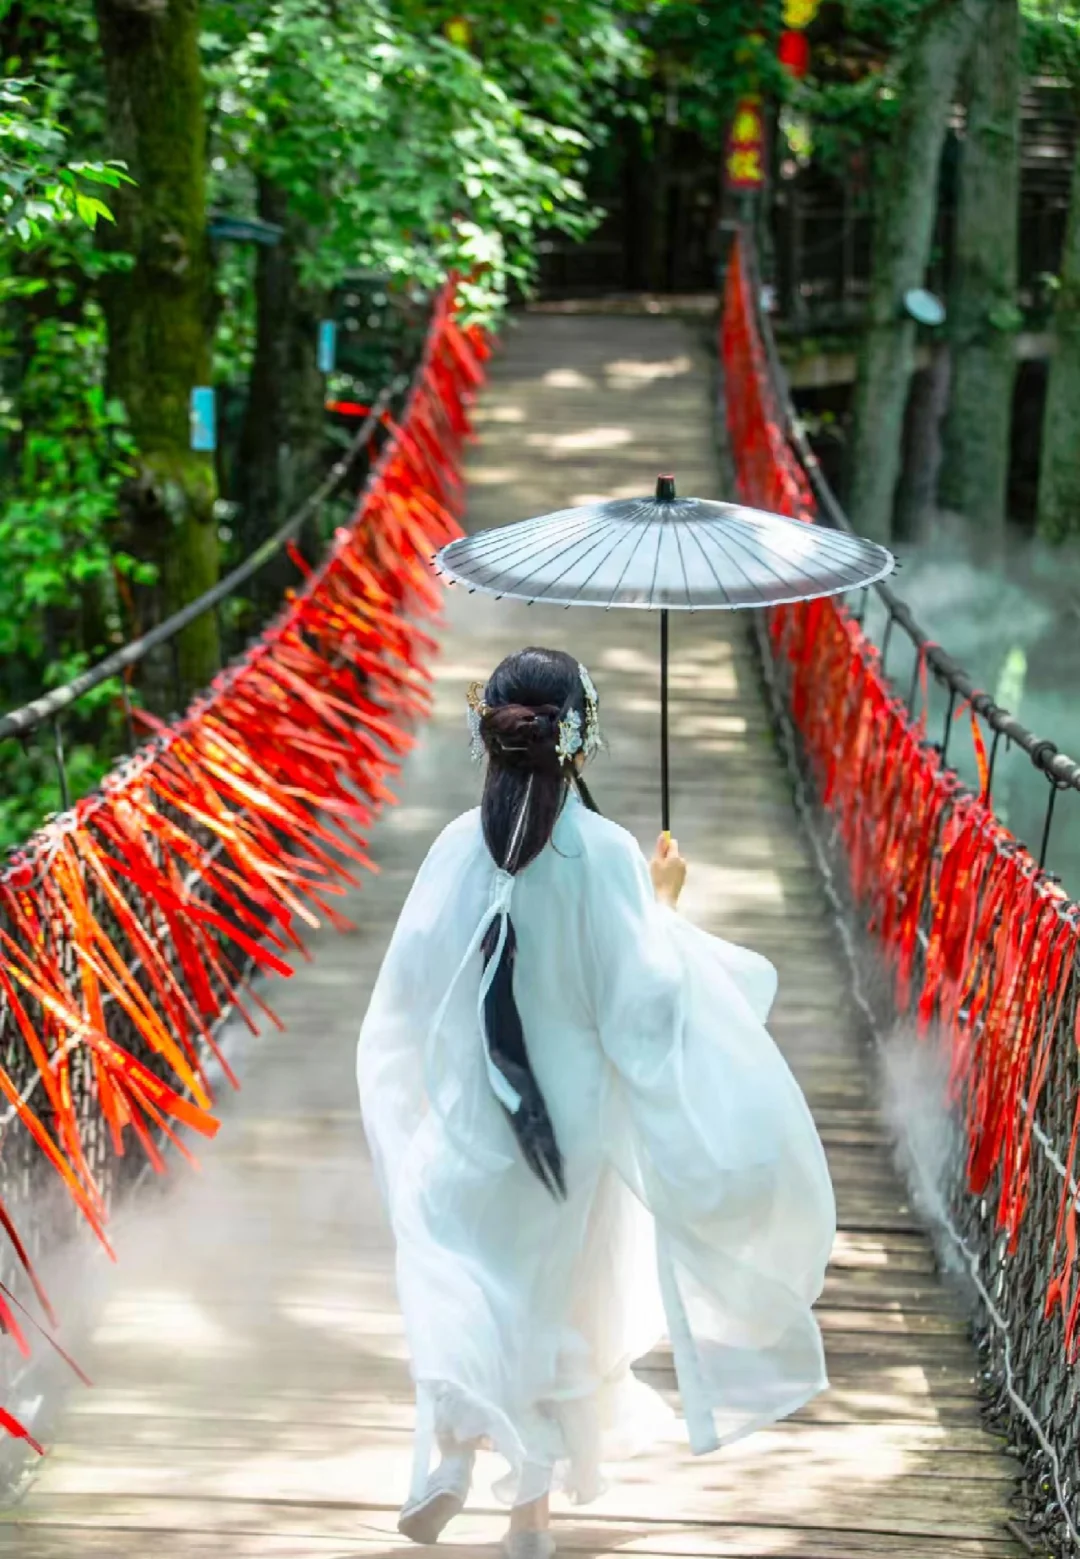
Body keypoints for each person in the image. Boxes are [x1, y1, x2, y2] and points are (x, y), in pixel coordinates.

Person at [357, 646, 836, 1559]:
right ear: (578, 739)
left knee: (459, 1279)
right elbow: (646, 1012)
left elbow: (407, 998)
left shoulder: (457, 846)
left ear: (486, 735)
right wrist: (662, 910)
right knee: (557, 1300)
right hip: (568, 1131)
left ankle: (448, 1456)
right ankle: (529, 1521)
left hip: (468, 1114)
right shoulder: (607, 854)